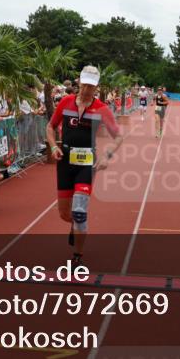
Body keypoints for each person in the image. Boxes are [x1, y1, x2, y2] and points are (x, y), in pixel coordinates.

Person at [46, 65, 124, 267]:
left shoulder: (101, 108)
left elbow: (118, 136)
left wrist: (106, 156)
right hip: (65, 161)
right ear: (79, 82)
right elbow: (50, 127)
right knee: (65, 213)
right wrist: (54, 147)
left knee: (79, 212)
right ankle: (75, 226)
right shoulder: (65, 102)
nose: (87, 89)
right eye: (85, 84)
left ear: (96, 87)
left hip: (87, 163)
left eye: (91, 86)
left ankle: (77, 256)